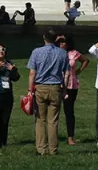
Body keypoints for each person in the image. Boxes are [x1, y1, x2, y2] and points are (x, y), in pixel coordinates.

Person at [26, 28, 69, 156]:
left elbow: (32, 73)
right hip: (55, 87)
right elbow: (66, 74)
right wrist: (64, 89)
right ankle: (53, 148)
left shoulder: (37, 52)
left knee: (40, 119)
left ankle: (41, 148)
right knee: (53, 120)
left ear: (44, 38)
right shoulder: (62, 53)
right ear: (56, 39)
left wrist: (30, 89)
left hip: (40, 86)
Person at [57, 34, 89, 146]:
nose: (61, 43)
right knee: (54, 111)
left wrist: (79, 71)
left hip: (71, 85)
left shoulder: (73, 53)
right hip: (57, 84)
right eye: (59, 41)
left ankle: (70, 137)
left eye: (63, 41)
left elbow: (85, 60)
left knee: (69, 111)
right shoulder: (54, 52)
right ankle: (51, 136)